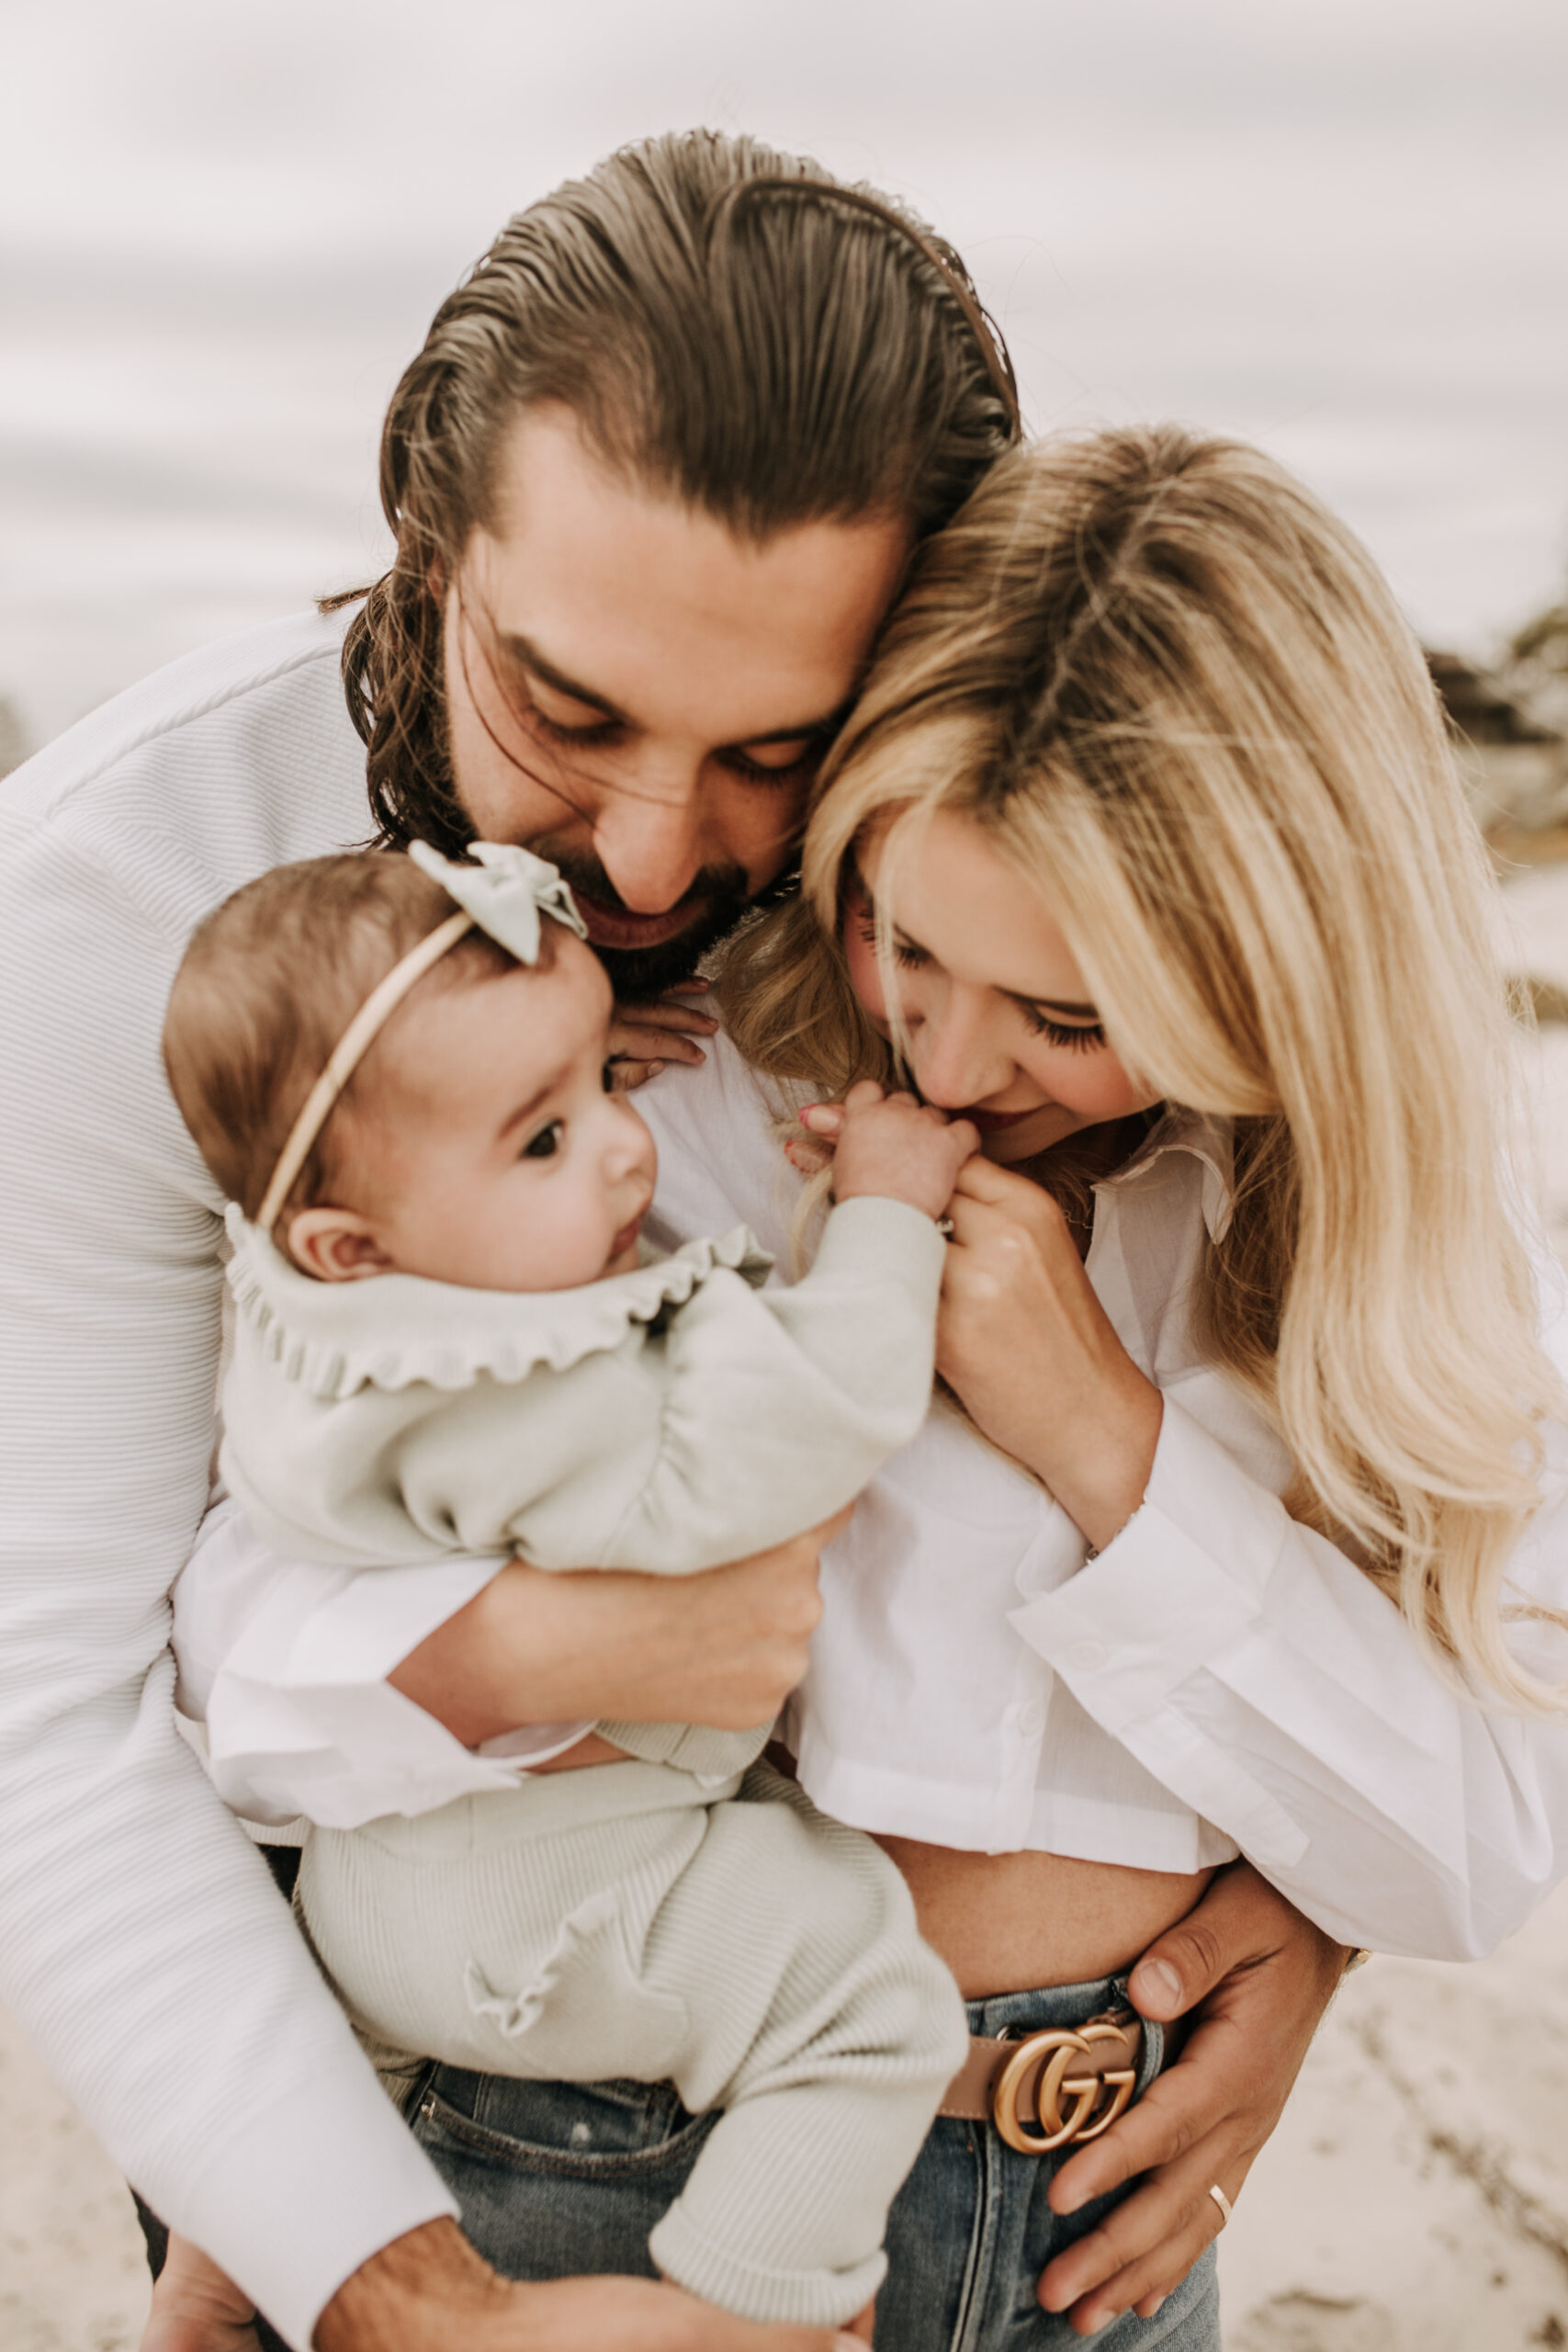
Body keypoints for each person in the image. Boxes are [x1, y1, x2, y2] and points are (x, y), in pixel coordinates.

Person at [0, 123, 1359, 2352]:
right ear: (421, 551)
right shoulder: (97, 918)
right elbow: (53, 1716)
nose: (650, 857)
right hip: (413, 2113)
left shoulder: (963, 890)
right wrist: (389, 2287)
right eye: (565, 708)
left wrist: (1306, 1889)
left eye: (776, 749)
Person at [175, 429, 1568, 2351]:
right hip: (587, 2163)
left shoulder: (1373, 1246)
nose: (951, 1053)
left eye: (1071, 1015)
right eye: (895, 934)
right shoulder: (666, 1112)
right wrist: (549, 1644)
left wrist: (1105, 1438)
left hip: (1104, 2218)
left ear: (1266, 972)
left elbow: (1477, 1849)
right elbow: (245, 1644)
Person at [152, 834, 975, 2337]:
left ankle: (227, 2256)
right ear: (353, 1238)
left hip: (364, 1910)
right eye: (543, 1140)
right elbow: (807, 1418)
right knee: (866, 2000)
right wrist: (886, 1213)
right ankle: (754, 2305)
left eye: (604, 1079)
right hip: (557, 1904)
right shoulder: (542, 1388)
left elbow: (393, 1144)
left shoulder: (321, 1322)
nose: (621, 1150)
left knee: (322, 2084)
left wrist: (525, 1081)